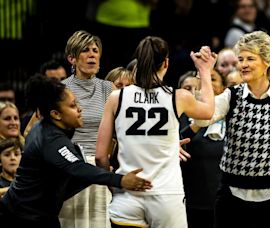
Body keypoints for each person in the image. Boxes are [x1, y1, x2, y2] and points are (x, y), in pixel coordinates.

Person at [194, 31, 270, 228]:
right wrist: (205, 73)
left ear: (267, 61)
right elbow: (200, 119)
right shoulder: (231, 96)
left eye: (250, 58)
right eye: (240, 59)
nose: (243, 64)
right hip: (232, 198)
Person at [95, 36, 216, 228]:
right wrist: (204, 70)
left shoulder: (116, 97)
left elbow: (101, 156)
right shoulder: (179, 97)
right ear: (166, 63)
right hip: (166, 196)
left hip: (127, 194)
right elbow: (209, 111)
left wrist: (114, 183)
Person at [0, 75, 152, 228]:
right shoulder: (50, 139)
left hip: (37, 214)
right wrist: (121, 180)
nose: (80, 109)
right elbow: (78, 168)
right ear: (56, 114)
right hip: (21, 216)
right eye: (72, 106)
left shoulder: (48, 128)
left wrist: (102, 173)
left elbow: (71, 174)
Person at [59, 30, 116, 228]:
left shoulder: (109, 89)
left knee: (101, 222)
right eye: (85, 50)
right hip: (70, 168)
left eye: (95, 50)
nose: (92, 54)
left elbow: (127, 127)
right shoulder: (60, 90)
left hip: (101, 167)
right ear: (72, 58)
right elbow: (32, 131)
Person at [179, 68, 226, 228]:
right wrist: (200, 119)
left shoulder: (232, 118)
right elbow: (176, 143)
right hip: (191, 202)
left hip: (225, 203)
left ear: (223, 88)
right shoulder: (183, 116)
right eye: (202, 80)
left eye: (212, 79)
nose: (207, 84)